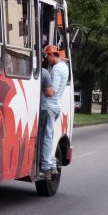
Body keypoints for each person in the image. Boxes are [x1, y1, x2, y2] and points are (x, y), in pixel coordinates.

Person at [40, 44, 69, 179]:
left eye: (47, 57)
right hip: (56, 106)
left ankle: (46, 166)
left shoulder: (56, 69)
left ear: (52, 55)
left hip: (49, 106)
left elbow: (53, 91)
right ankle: (51, 163)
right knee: (50, 137)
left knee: (46, 137)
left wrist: (42, 90)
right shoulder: (64, 67)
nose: (47, 60)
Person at [38, 66, 54, 177]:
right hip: (42, 108)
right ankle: (42, 164)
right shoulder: (44, 72)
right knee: (42, 137)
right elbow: (50, 92)